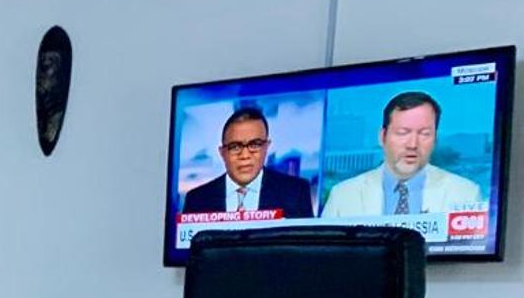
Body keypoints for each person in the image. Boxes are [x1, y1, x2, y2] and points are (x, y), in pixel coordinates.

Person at [322, 91, 482, 218]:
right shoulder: (343, 196)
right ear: (382, 137)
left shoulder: (465, 193)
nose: (413, 144)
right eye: (403, 133)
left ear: (435, 139)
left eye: (424, 134)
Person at [180, 105, 315, 218]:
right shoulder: (197, 199)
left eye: (255, 145)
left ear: (266, 147)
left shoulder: (296, 192)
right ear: (222, 152)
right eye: (235, 147)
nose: (245, 155)